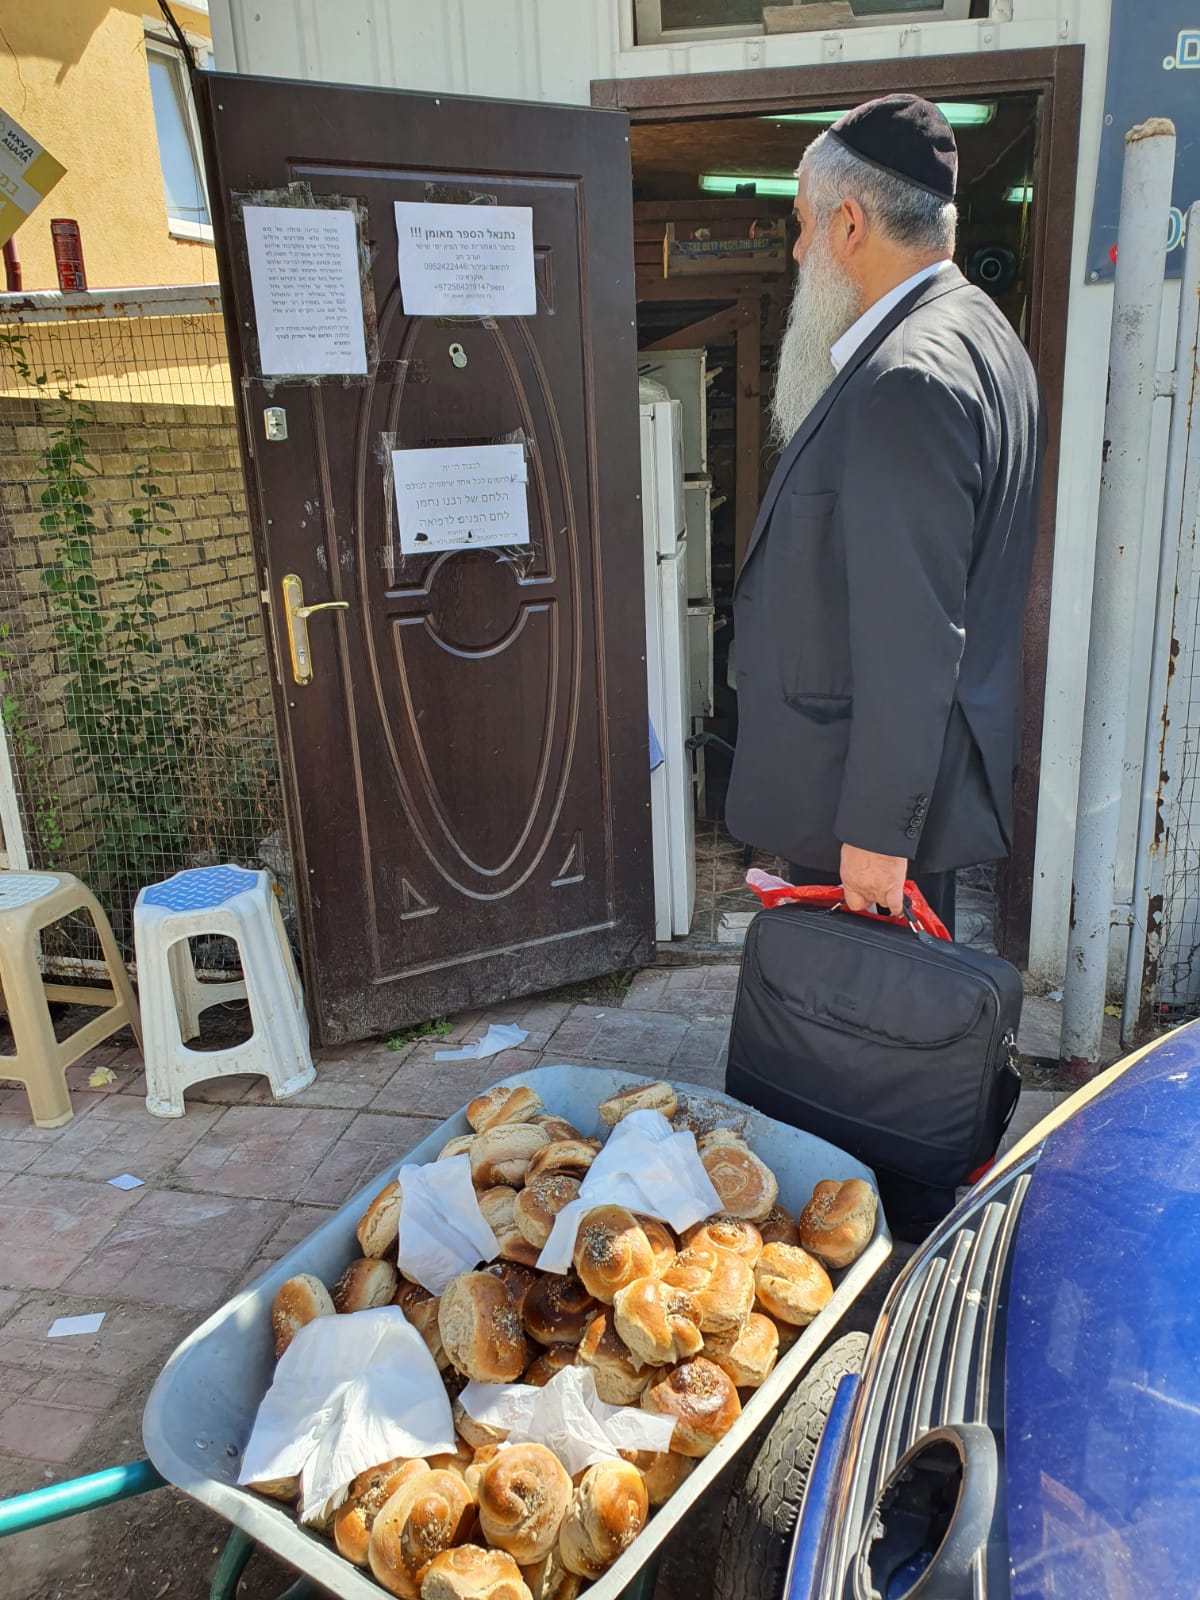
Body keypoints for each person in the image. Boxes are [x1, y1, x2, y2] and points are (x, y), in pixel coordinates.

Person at [725, 95, 1045, 939]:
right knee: (879, 1025)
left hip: (863, 808)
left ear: (851, 223)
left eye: (801, 226)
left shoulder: (910, 376)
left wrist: (874, 832)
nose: (797, 250)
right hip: (897, 782)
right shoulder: (980, 330)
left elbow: (916, 628)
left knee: (857, 1038)